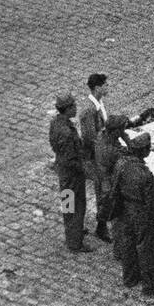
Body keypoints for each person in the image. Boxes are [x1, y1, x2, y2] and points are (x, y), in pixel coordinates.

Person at [111, 132, 154, 295]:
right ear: (144, 151)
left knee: (128, 244)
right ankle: (151, 285)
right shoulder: (145, 175)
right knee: (148, 250)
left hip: (124, 209)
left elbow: (114, 187)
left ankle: (130, 278)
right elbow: (152, 202)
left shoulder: (121, 164)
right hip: (141, 213)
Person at [49, 93, 92, 253]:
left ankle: (73, 230)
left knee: (68, 204)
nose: (76, 108)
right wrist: (84, 168)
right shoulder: (66, 132)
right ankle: (75, 241)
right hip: (72, 175)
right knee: (76, 205)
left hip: (63, 171)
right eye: (73, 106)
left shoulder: (56, 123)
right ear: (67, 109)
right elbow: (70, 159)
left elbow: (54, 145)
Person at [78, 72, 113, 243]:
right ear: (98, 88)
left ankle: (80, 226)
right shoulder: (88, 111)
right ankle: (81, 228)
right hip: (94, 159)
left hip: (98, 156)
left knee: (103, 192)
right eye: (105, 85)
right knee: (100, 192)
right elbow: (90, 138)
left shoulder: (99, 105)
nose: (108, 87)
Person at [95, 116, 130, 254]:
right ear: (115, 131)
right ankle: (118, 248)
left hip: (102, 177)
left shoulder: (103, 135)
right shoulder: (110, 150)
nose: (123, 131)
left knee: (104, 205)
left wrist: (124, 137)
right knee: (113, 210)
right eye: (121, 129)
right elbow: (124, 159)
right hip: (108, 181)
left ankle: (101, 226)